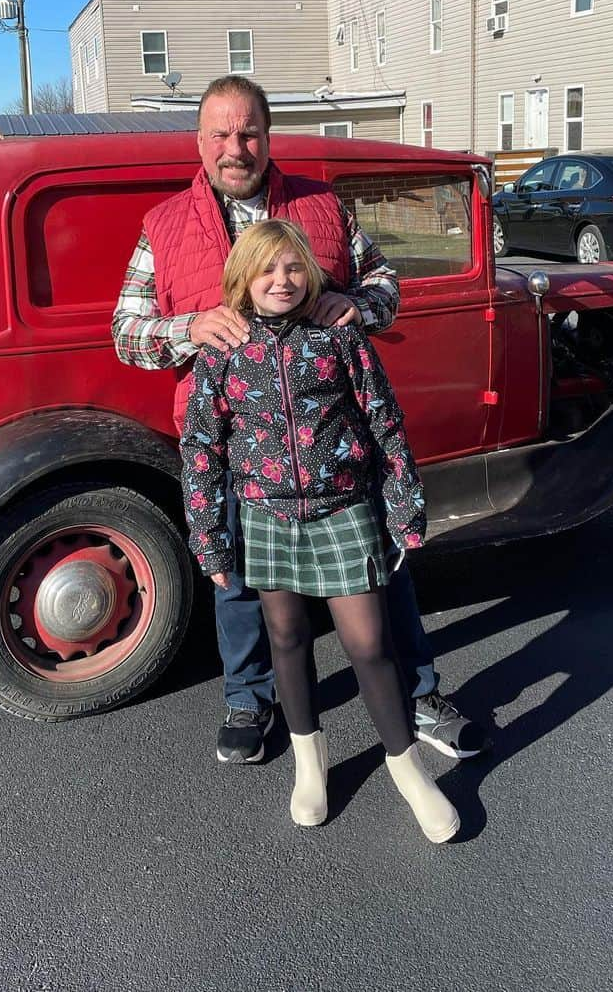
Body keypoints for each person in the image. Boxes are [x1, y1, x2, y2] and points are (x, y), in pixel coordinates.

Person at [112, 74, 487, 766]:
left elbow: (386, 286)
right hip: (235, 447)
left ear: (267, 135)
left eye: (248, 131)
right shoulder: (162, 226)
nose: (236, 147)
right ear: (200, 142)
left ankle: (418, 691)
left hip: (336, 443)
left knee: (382, 575)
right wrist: (188, 326)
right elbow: (125, 333)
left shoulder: (322, 206)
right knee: (239, 582)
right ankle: (250, 700)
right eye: (221, 134)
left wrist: (354, 304)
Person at [179, 220, 458, 841]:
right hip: (266, 514)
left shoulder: (339, 338)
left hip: (345, 510)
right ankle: (311, 761)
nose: (281, 280)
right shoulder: (223, 353)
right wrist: (208, 537)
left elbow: (384, 421)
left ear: (311, 275)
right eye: (267, 269)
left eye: (293, 268)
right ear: (242, 279)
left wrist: (405, 507)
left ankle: (406, 766)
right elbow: (201, 447)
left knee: (369, 645)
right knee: (286, 639)